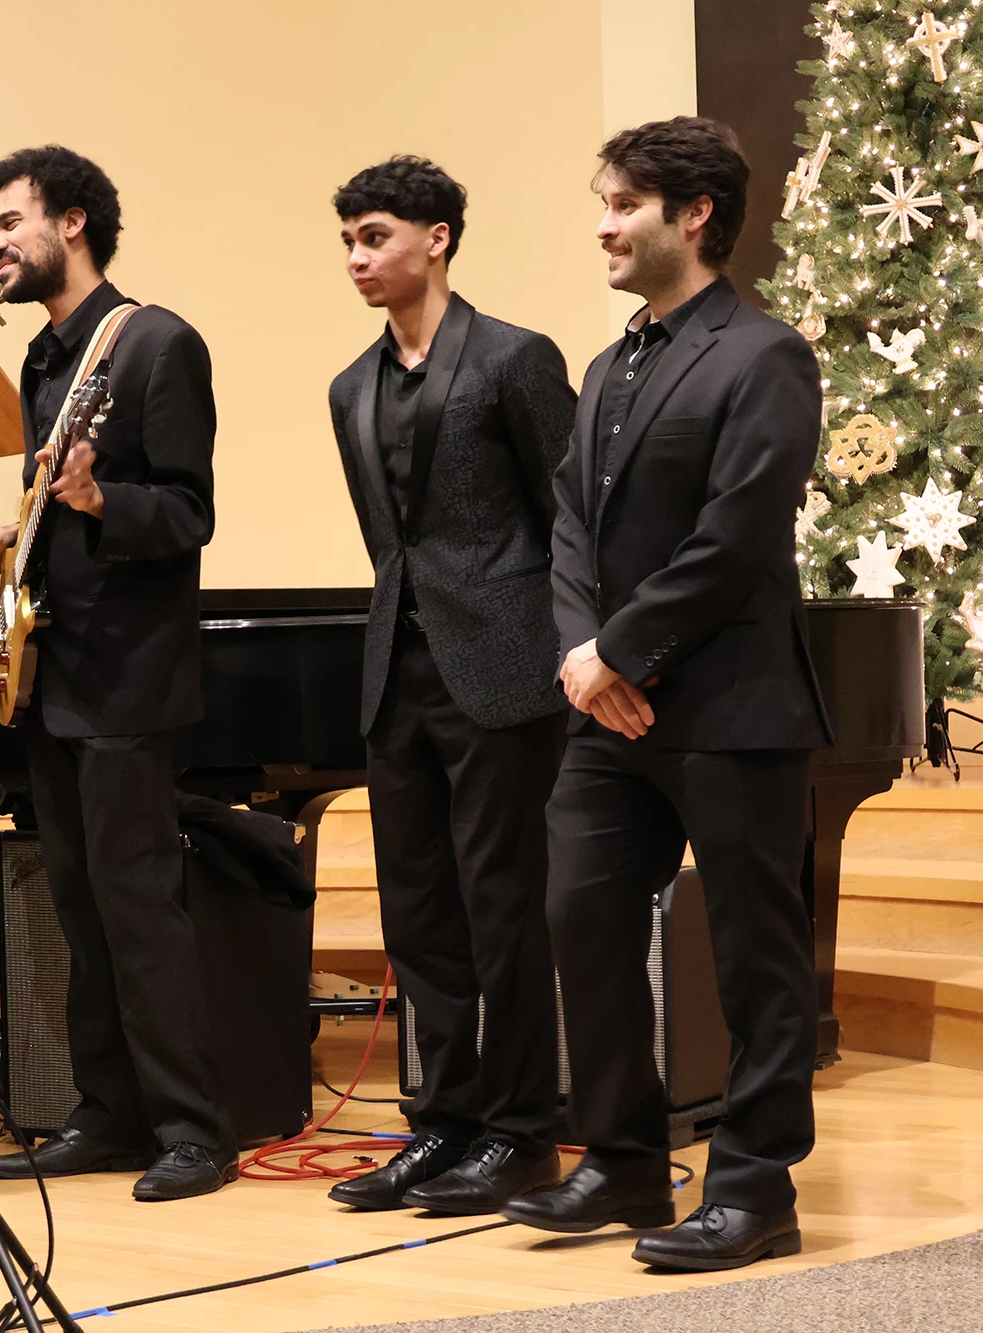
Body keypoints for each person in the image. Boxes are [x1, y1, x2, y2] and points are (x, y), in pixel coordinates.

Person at [500, 117, 830, 1271]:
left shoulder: (763, 355)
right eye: (602, 199)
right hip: (609, 708)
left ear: (691, 215)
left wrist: (622, 652)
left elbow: (734, 537)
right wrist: (581, 651)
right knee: (579, 919)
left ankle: (753, 1187)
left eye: (625, 204)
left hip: (729, 709)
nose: (603, 222)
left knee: (754, 958)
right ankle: (625, 1162)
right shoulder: (609, 364)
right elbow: (570, 527)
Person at [0, 145, 235, 1202]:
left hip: (126, 675)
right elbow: (52, 512)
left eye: (12, 221)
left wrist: (97, 504)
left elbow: (189, 512)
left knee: (136, 905)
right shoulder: (39, 359)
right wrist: (12, 535)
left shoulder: (154, 342)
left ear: (71, 223)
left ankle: (192, 1131)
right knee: (74, 903)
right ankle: (107, 1113)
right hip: (50, 671)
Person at [321, 157, 575, 1215]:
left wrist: (572, 647)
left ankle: (521, 1134)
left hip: (505, 669)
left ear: (436, 238)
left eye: (373, 236)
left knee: (501, 908)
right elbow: (393, 543)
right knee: (419, 914)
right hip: (400, 674)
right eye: (344, 241)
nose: (354, 259)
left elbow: (568, 516)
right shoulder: (347, 387)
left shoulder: (514, 357)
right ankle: (445, 1123)